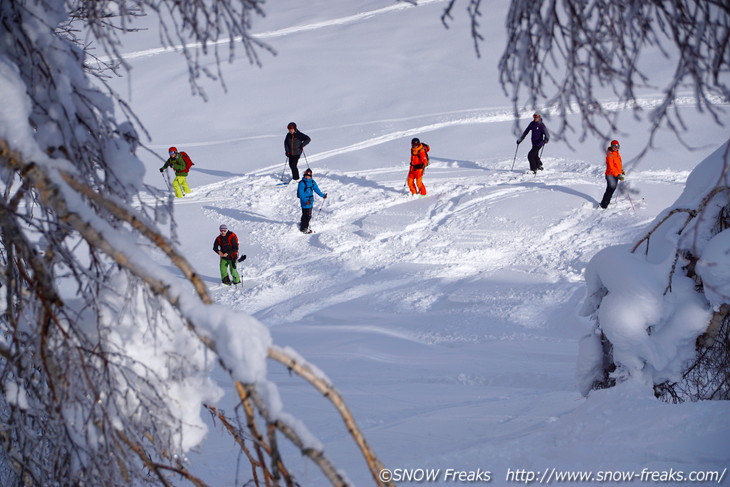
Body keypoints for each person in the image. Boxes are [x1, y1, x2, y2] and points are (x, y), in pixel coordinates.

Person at [297, 168, 327, 234]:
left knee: (307, 214)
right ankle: (304, 228)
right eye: (306, 175)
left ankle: (303, 224)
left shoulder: (312, 182)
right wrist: (305, 201)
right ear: (304, 175)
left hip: (310, 201)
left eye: (309, 176)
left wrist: (323, 195)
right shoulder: (302, 183)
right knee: (307, 215)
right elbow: (300, 194)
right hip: (305, 201)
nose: (307, 177)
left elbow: (317, 190)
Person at [599, 139, 624, 209]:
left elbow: (617, 165)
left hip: (615, 175)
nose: (615, 148)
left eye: (617, 146)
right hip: (610, 175)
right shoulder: (610, 155)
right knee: (610, 190)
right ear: (611, 146)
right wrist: (618, 174)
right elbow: (611, 167)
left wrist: (621, 171)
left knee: (611, 190)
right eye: (614, 146)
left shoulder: (617, 153)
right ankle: (604, 205)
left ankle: (606, 202)